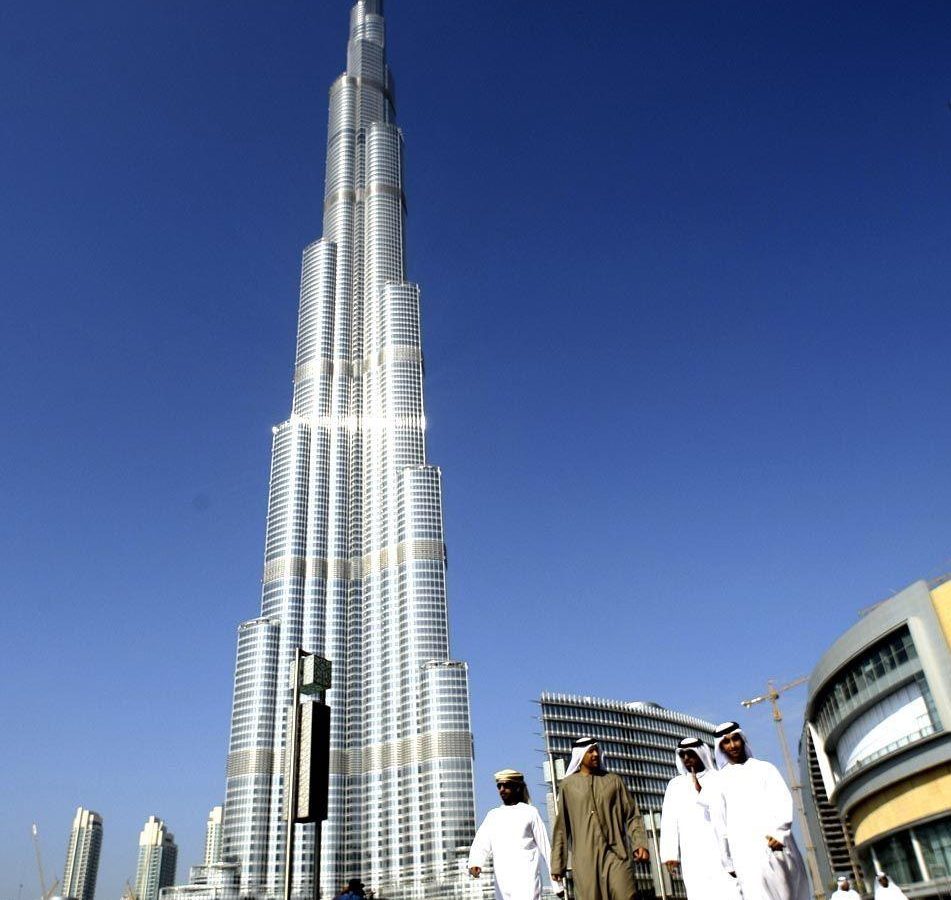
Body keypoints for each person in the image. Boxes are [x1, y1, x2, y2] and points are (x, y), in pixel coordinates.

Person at [712, 721, 810, 900]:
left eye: (735, 739)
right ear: (721, 747)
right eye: (726, 742)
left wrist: (779, 834)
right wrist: (728, 863)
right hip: (744, 853)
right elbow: (720, 824)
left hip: (777, 845)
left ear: (742, 739)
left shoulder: (765, 768)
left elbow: (782, 802)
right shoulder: (718, 782)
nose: (732, 745)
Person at [551, 736, 650, 900]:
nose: (595, 754)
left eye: (596, 750)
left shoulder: (613, 781)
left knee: (627, 894)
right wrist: (557, 864)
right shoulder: (568, 786)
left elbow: (632, 815)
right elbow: (561, 828)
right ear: (580, 755)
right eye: (590, 751)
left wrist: (639, 843)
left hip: (617, 855)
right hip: (585, 860)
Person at [660, 737, 740, 899]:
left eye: (690, 754)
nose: (687, 758)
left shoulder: (718, 779)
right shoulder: (675, 785)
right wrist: (670, 854)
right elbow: (669, 821)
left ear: (701, 753)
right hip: (692, 853)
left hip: (721, 849)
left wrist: (700, 790)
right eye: (682, 755)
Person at [468, 768, 556, 900]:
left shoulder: (530, 812)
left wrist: (557, 884)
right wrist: (475, 862)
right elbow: (481, 842)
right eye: (499, 786)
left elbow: (546, 848)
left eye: (506, 785)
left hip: (527, 879)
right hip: (503, 881)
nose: (502, 789)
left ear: (517, 788)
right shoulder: (493, 816)